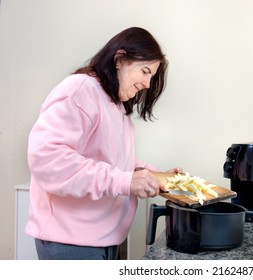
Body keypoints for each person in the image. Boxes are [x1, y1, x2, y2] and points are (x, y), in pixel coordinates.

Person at [26, 27, 181, 260]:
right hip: (71, 244)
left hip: (102, 241)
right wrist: (125, 181)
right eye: (145, 71)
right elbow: (48, 159)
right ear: (119, 59)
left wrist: (152, 175)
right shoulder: (81, 89)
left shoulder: (115, 104)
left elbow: (112, 158)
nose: (148, 84)